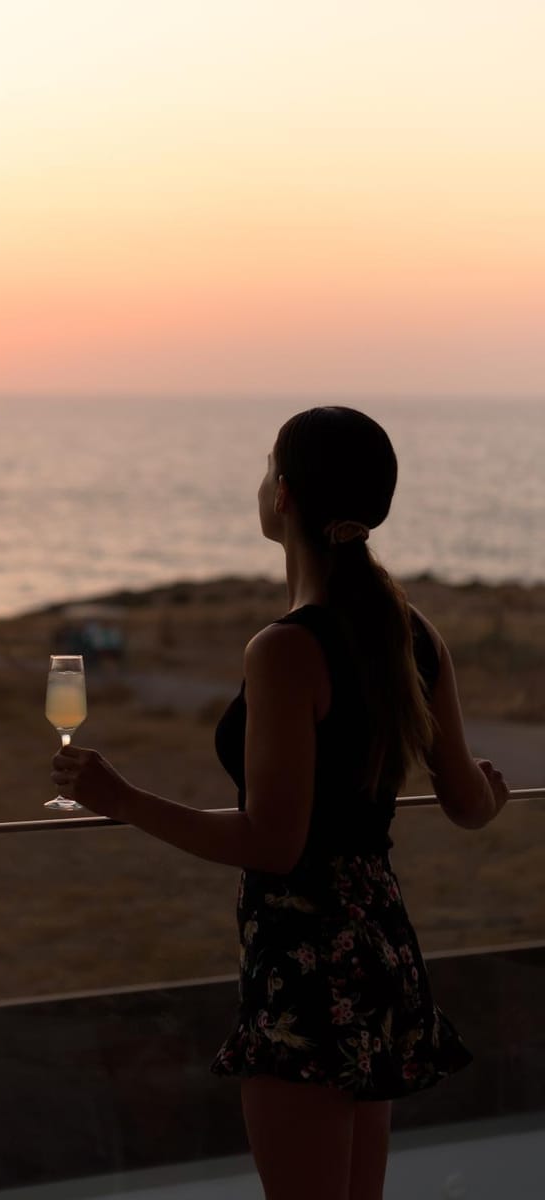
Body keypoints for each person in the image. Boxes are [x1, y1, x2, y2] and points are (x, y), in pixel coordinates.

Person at [51, 406, 510, 1200]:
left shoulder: (286, 648)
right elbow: (467, 802)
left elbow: (274, 843)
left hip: (305, 961)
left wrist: (119, 798)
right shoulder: (411, 631)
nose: (260, 484)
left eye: (267, 469)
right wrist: (494, 792)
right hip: (381, 949)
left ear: (286, 497)